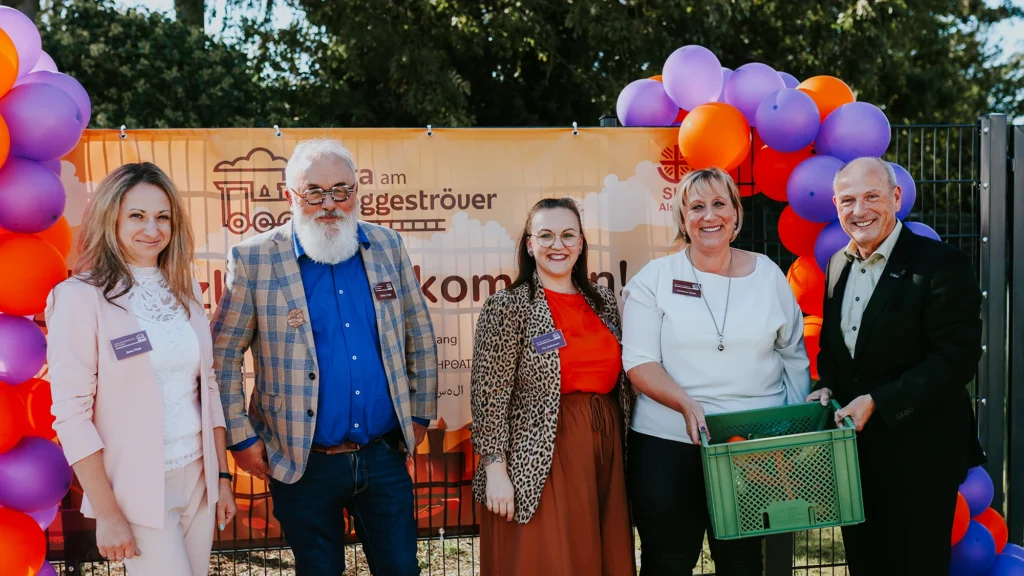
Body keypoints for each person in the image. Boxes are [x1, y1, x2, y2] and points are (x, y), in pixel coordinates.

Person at [211, 138, 437, 576]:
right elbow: (224, 356)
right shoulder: (254, 260)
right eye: (313, 191)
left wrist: (420, 417)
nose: (329, 203)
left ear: (356, 191)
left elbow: (419, 336)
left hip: (382, 456)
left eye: (341, 190)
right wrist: (242, 439)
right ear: (289, 196)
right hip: (300, 463)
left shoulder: (388, 246)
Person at [46, 163, 236, 576]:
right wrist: (108, 511)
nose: (152, 229)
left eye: (162, 217)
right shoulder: (80, 298)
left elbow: (209, 390)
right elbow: (72, 416)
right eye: (137, 216)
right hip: (137, 489)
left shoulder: (183, 292)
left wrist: (223, 477)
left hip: (199, 480)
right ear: (110, 217)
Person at [621, 167, 810, 576]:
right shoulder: (654, 279)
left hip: (751, 447)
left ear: (736, 214)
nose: (710, 216)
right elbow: (639, 362)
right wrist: (687, 405)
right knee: (667, 560)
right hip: (667, 442)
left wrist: (789, 433)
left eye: (719, 204)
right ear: (683, 220)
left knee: (741, 562)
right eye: (697, 207)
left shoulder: (768, 275)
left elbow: (794, 354)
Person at [805, 157, 985, 575]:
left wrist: (878, 401)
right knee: (865, 565)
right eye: (848, 199)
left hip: (921, 452)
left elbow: (956, 358)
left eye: (872, 197)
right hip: (855, 454)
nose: (859, 210)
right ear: (835, 204)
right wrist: (827, 385)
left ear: (896, 197)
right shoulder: (836, 264)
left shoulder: (941, 263)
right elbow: (838, 352)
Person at [469, 197, 636, 576]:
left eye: (567, 235)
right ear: (530, 244)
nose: (556, 245)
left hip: (604, 445)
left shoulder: (605, 302)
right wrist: (495, 468)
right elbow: (488, 394)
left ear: (580, 243)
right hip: (541, 450)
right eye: (545, 235)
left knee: (600, 555)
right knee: (549, 559)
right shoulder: (508, 306)